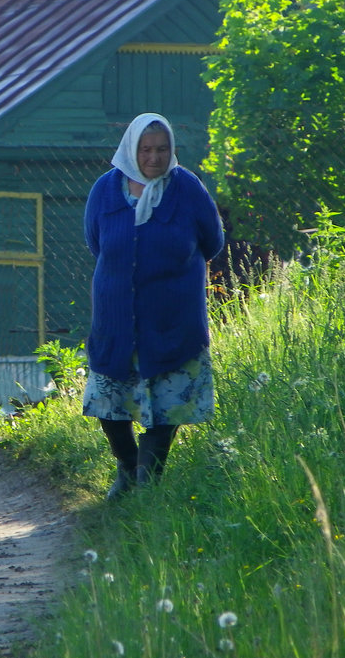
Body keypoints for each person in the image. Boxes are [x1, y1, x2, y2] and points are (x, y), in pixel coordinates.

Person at [83, 113, 225, 498]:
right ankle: (128, 466)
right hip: (116, 320)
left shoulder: (187, 189)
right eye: (146, 149)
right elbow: (96, 243)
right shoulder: (106, 190)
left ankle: (151, 472)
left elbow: (212, 242)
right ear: (132, 150)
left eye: (162, 149)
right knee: (109, 402)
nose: (154, 157)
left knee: (169, 401)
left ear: (172, 150)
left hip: (173, 319)